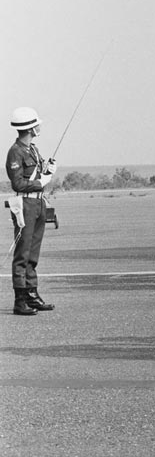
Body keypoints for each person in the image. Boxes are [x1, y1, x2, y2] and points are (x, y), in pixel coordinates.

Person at [6, 107, 57, 316]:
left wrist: (47, 172)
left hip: (38, 204)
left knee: (33, 253)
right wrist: (40, 182)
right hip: (25, 205)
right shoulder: (16, 151)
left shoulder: (33, 149)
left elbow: (36, 175)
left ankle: (32, 295)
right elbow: (18, 183)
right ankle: (20, 300)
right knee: (23, 253)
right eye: (37, 124)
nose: (39, 127)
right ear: (30, 128)